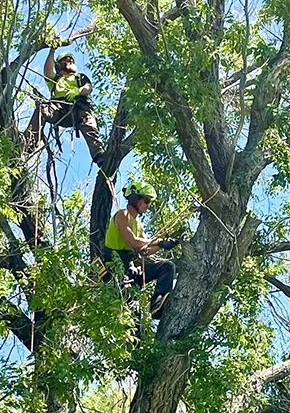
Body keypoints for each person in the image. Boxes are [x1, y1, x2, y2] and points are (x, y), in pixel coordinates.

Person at [101, 180, 179, 317]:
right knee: (133, 315)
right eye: (147, 200)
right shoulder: (122, 215)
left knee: (167, 266)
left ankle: (157, 303)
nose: (148, 205)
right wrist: (159, 242)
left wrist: (162, 245)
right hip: (116, 270)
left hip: (130, 270)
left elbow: (145, 250)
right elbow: (134, 242)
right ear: (136, 199)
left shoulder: (139, 225)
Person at [25, 48, 106, 167]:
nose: (71, 61)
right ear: (59, 65)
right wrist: (52, 50)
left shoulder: (79, 77)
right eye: (67, 60)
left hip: (78, 109)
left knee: (89, 123)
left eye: (72, 60)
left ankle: (99, 154)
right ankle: (29, 143)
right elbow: (47, 71)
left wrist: (78, 91)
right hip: (59, 110)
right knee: (42, 109)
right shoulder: (56, 80)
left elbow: (88, 87)